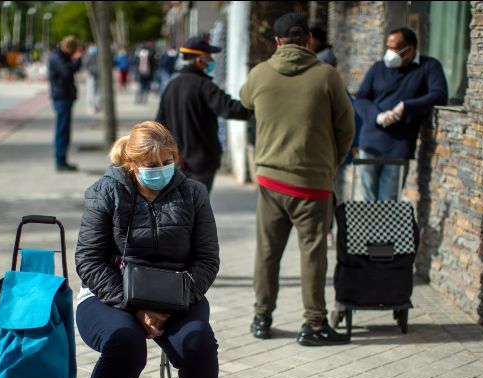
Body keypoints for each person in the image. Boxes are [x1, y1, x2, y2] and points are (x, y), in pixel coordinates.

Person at [73, 121, 232, 378]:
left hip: (178, 295)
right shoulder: (105, 191)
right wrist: (134, 307)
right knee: (125, 342)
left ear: (176, 159)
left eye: (166, 162)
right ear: (131, 164)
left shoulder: (193, 193)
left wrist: (166, 307)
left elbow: (207, 260)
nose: (159, 170)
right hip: (108, 295)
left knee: (198, 340)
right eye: (150, 164)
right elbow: (89, 260)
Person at [239, 13, 355, 346]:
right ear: (309, 40)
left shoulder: (260, 73)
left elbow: (245, 100)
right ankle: (314, 325)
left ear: (277, 42)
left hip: (271, 183)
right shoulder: (327, 76)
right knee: (313, 256)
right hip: (313, 185)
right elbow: (346, 127)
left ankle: (262, 318)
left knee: (267, 253)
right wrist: (330, 163)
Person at [354, 27, 447, 201]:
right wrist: (377, 116)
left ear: (410, 49)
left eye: (395, 48)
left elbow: (439, 95)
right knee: (368, 202)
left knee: (389, 202)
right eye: (388, 47)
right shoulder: (378, 68)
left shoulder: (428, 66)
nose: (389, 52)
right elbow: (360, 99)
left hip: (399, 146)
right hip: (370, 142)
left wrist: (406, 106)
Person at [156, 36, 250, 193]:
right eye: (209, 57)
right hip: (202, 163)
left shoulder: (171, 86)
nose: (211, 61)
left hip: (176, 163)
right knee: (198, 205)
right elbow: (229, 108)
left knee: (181, 205)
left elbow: (158, 124)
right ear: (199, 60)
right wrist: (256, 107)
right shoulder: (204, 85)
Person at [48, 36, 83, 172]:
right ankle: (60, 161)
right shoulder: (56, 57)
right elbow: (67, 72)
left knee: (65, 130)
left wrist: (76, 61)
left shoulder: (62, 56)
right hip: (61, 97)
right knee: (62, 130)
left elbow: (72, 70)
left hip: (65, 96)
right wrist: (77, 60)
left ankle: (62, 160)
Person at [83, 44, 99, 114]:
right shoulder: (88, 56)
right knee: (91, 91)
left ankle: (96, 106)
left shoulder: (97, 55)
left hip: (97, 75)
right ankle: (90, 106)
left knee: (97, 91)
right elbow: (85, 65)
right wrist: (85, 72)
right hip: (91, 75)